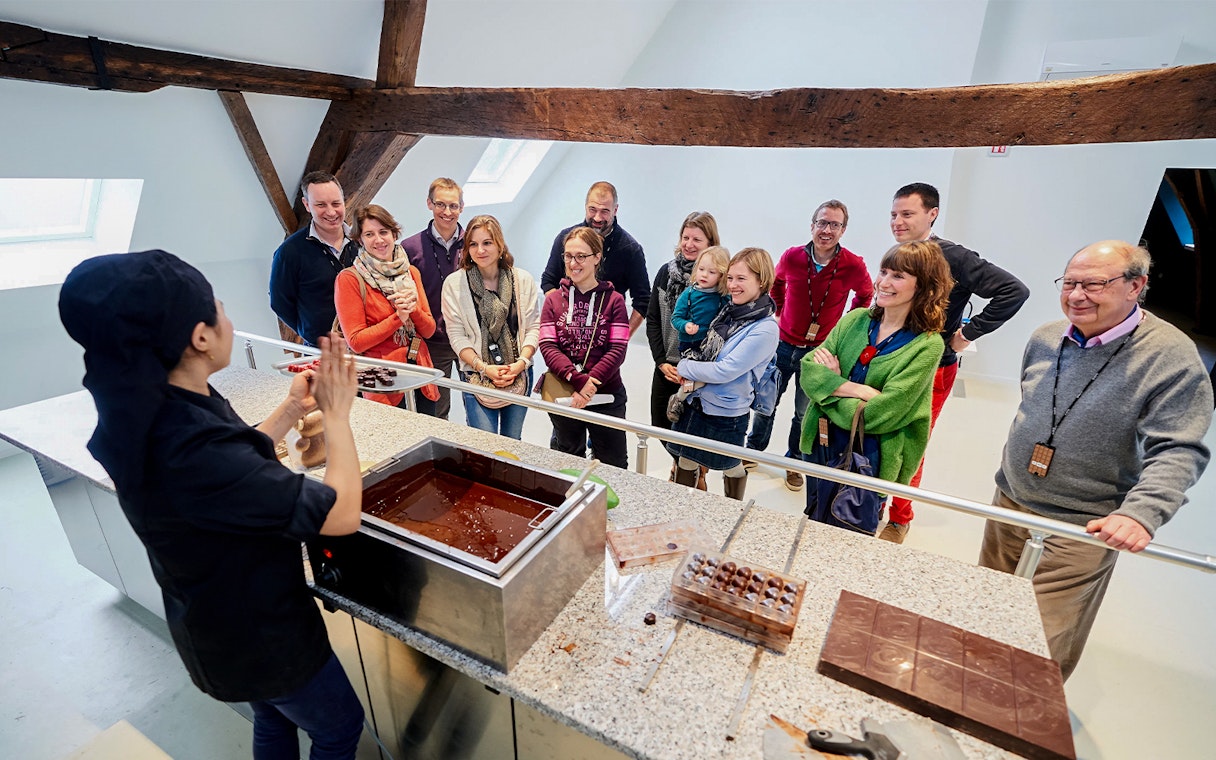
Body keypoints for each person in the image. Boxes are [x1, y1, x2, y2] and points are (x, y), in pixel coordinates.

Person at [59, 250, 366, 759]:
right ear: (200, 337)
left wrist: (291, 409)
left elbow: (236, 458)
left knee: (272, 714)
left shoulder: (145, 406)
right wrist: (337, 416)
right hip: (267, 637)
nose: (228, 317)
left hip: (213, 627)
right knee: (338, 727)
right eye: (219, 307)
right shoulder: (190, 449)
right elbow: (339, 515)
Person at [981, 240, 1212, 681]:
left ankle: (1022, 726)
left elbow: (1179, 447)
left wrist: (1142, 514)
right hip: (1010, 499)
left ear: (1135, 287)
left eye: (1093, 284)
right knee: (986, 606)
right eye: (1069, 283)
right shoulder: (1046, 338)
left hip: (1086, 523)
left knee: (1042, 642)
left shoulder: (1170, 357)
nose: (1076, 295)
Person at [882, 182, 1029, 543]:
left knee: (911, 442)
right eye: (894, 215)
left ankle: (900, 517)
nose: (898, 222)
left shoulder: (956, 257)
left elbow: (1014, 291)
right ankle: (865, 499)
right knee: (879, 433)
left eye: (907, 214)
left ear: (932, 214)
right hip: (892, 360)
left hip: (933, 366)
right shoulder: (900, 256)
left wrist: (966, 334)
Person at [799, 241, 952, 532]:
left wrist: (829, 391)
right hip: (823, 442)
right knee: (814, 525)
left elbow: (884, 412)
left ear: (924, 288)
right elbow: (809, 372)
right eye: (883, 271)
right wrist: (858, 390)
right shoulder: (855, 320)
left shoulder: (927, 345)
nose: (883, 282)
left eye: (898, 276)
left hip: (869, 459)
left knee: (850, 535)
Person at [745, 200, 873, 492]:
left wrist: (847, 327)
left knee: (804, 413)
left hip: (819, 352)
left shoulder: (853, 264)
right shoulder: (792, 257)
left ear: (843, 230)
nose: (826, 230)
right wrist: (779, 311)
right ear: (812, 225)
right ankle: (752, 450)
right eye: (822, 223)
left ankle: (794, 462)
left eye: (834, 225)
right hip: (782, 345)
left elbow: (866, 296)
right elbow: (776, 284)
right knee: (766, 403)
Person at [666, 248, 780, 500]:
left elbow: (724, 370)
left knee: (730, 465)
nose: (733, 285)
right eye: (730, 278)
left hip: (725, 413)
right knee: (685, 459)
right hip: (697, 403)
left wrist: (684, 367)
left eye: (741, 279)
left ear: (761, 280)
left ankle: (732, 510)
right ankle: (680, 508)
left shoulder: (765, 328)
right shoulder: (728, 311)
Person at [539, 227, 631, 469]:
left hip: (607, 395)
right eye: (568, 256)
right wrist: (577, 379)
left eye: (581, 256)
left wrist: (590, 384)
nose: (573, 263)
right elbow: (548, 346)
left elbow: (618, 349)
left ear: (597, 257)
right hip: (565, 393)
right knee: (567, 461)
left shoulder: (615, 301)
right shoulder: (552, 300)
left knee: (613, 466)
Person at [442, 214, 540, 439]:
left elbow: (534, 327)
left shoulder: (523, 280)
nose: (480, 250)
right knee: (483, 444)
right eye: (473, 244)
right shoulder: (454, 284)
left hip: (519, 371)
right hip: (476, 374)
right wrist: (484, 368)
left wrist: (520, 363)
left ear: (500, 244)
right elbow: (456, 336)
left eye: (487, 242)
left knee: (512, 441)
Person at [335, 204, 438, 408]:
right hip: (382, 382)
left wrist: (413, 310)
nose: (379, 240)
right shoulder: (350, 279)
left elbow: (428, 330)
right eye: (370, 234)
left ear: (394, 234)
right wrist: (397, 318)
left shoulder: (411, 272)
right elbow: (356, 341)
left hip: (420, 373)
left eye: (384, 232)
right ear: (360, 239)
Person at [540, 181, 650, 335]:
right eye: (593, 209)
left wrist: (622, 338)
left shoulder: (631, 249)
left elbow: (643, 300)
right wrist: (562, 314)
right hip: (566, 331)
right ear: (585, 206)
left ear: (615, 210)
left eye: (605, 211)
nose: (597, 218)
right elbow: (548, 281)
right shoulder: (565, 239)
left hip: (607, 335)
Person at [269, 171, 360, 346]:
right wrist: (311, 332)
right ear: (307, 204)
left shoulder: (363, 241)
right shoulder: (289, 252)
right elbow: (280, 303)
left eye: (336, 203)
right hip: (321, 352)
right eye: (321, 205)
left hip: (369, 348)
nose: (331, 212)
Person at [402, 177, 465, 419]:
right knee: (436, 410)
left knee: (479, 404)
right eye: (440, 204)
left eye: (453, 206)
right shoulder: (410, 248)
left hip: (471, 340)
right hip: (433, 342)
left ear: (461, 207)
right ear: (429, 204)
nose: (447, 212)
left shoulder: (475, 243)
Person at [672, 245, 731, 358]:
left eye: (712, 272)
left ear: (721, 275)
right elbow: (676, 318)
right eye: (701, 269)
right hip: (689, 343)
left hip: (713, 343)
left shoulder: (722, 296)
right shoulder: (688, 294)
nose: (704, 274)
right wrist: (685, 325)